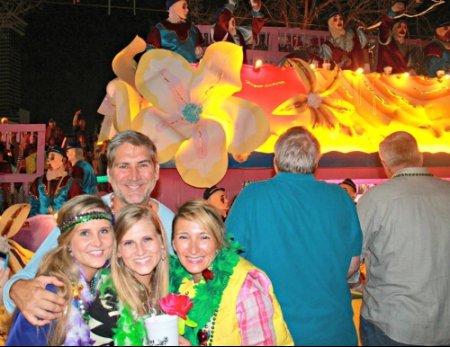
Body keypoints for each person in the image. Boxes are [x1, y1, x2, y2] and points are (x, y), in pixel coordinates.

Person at [2, 130, 174, 325]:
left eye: (143, 165)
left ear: (156, 171)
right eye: (124, 166)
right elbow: (28, 275)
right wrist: (17, 289)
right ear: (109, 174)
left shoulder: (174, 227)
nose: (134, 176)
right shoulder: (85, 217)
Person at [226, 126, 362, 345]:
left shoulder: (252, 196)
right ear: (316, 163)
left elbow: (227, 261)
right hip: (333, 330)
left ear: (275, 162)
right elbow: (352, 265)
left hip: (271, 329)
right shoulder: (341, 198)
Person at [356, 131, 450, 346]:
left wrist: (355, 282)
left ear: (384, 162)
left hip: (393, 320)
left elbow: (352, 257)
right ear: (420, 156)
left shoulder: (377, 198)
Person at [170, 199, 293, 346]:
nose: (193, 249)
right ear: (173, 244)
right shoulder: (174, 282)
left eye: (204, 237)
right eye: (184, 237)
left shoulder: (247, 286)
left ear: (218, 243)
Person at [6, 194, 114, 345]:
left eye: (104, 231)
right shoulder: (50, 296)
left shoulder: (107, 284)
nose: (97, 242)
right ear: (68, 243)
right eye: (84, 233)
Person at [88, 204, 170, 345]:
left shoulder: (175, 284)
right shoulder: (107, 305)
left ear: (161, 241)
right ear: (118, 251)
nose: (140, 251)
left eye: (147, 239)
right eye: (129, 243)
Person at [28, 146, 83, 216]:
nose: (48, 161)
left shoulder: (71, 183)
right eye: (47, 158)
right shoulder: (38, 182)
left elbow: (76, 209)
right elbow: (32, 206)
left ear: (63, 160)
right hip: (41, 223)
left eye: (52, 158)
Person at [319, 4, 370, 72]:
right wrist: (341, 63)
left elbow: (365, 52)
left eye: (341, 19)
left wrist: (367, 69)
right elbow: (327, 68)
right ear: (330, 23)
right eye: (335, 19)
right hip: (340, 80)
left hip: (359, 78)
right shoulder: (327, 46)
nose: (339, 21)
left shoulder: (357, 34)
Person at [376, 2, 417, 74]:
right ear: (394, 28)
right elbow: (384, 26)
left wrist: (412, 70)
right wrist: (392, 11)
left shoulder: (407, 47)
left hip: (401, 82)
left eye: (404, 27)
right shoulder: (387, 41)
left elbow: (409, 66)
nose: (402, 29)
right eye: (399, 26)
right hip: (385, 81)